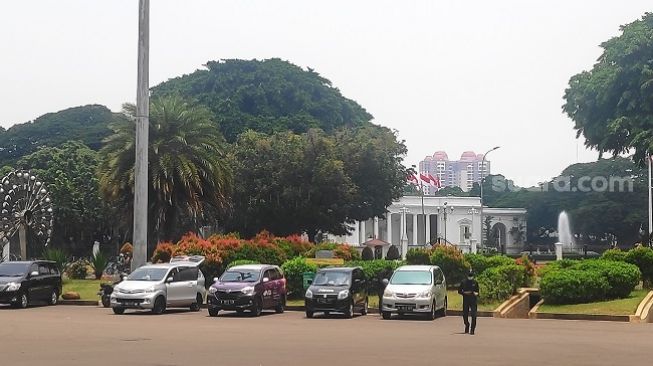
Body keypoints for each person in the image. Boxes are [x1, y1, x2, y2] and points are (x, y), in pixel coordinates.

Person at [458, 270, 479, 335]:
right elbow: (459, 291)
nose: (470, 277)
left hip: (473, 300)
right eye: (469, 276)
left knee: (474, 315)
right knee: (465, 315)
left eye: (471, 276)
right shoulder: (463, 282)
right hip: (466, 300)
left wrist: (476, 293)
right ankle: (467, 324)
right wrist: (464, 293)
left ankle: (472, 329)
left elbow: (477, 291)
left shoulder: (475, 282)